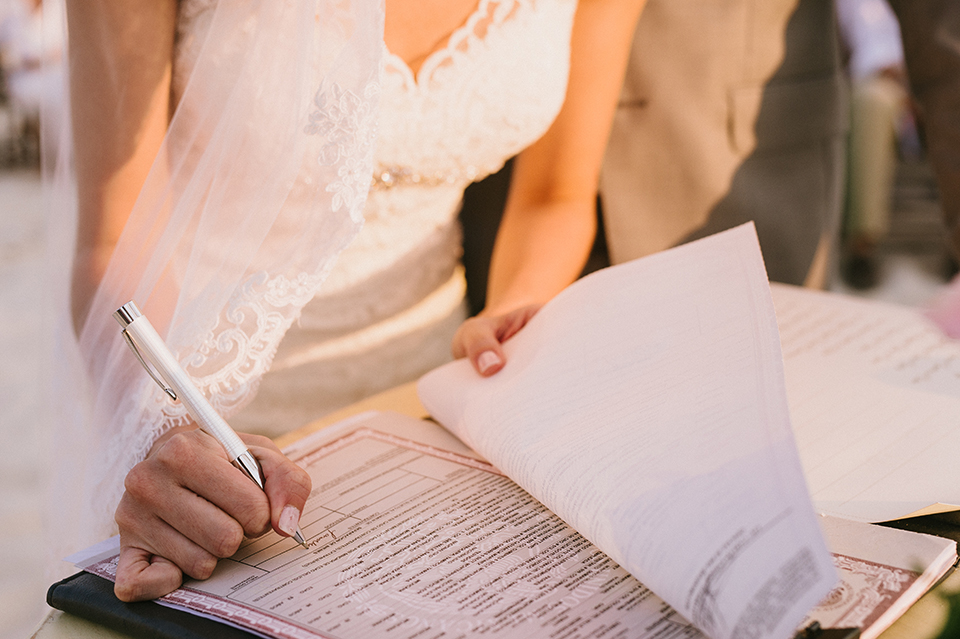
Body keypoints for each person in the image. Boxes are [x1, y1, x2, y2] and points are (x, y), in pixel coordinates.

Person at [53, 0, 645, 601]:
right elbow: (113, 238)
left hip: (430, 408)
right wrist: (165, 423)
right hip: (213, 417)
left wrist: (511, 310)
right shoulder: (185, 430)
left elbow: (557, 194)